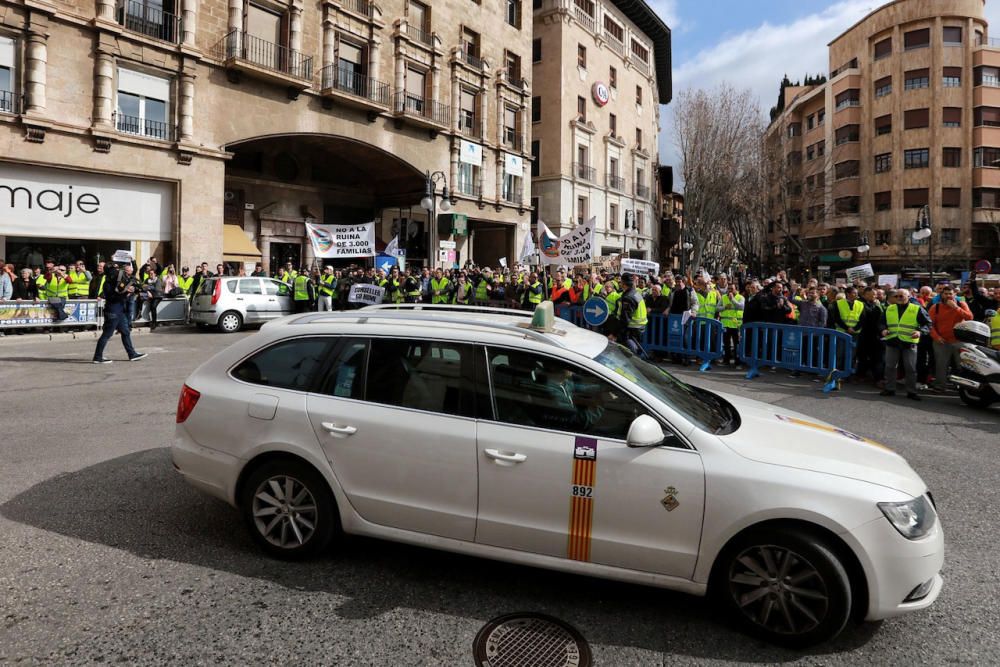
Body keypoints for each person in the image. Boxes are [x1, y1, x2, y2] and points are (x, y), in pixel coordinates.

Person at [880, 289, 931, 401]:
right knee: (890, 367)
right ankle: (889, 389)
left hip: (909, 342)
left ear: (909, 296)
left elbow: (928, 324)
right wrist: (883, 329)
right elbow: (882, 322)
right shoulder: (889, 308)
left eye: (901, 296)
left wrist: (920, 332)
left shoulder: (917, 308)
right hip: (892, 341)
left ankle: (911, 392)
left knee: (911, 368)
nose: (898, 298)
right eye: (896, 296)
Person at [93, 263, 147, 364]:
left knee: (126, 332)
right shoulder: (108, 284)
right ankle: (97, 356)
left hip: (119, 311)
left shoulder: (117, 281)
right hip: (112, 311)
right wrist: (125, 293)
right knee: (106, 335)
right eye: (114, 269)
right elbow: (113, 298)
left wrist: (131, 289)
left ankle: (132, 354)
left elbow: (125, 287)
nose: (117, 271)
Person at [928, 285, 973, 392]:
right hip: (942, 341)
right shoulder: (936, 307)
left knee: (962, 365)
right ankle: (940, 386)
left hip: (960, 341)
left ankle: (964, 389)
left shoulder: (961, 304)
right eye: (945, 294)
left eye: (950, 293)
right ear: (941, 295)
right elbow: (929, 324)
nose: (948, 296)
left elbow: (970, 317)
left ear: (954, 294)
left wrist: (956, 308)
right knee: (941, 365)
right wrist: (936, 337)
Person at [615, 273, 648, 356]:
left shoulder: (628, 297)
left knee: (631, 354)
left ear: (623, 283)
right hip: (638, 328)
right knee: (635, 351)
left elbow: (625, 318)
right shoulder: (635, 293)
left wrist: (615, 333)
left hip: (631, 330)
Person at [719, 283, 745, 366]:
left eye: (732, 289)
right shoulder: (723, 297)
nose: (730, 290)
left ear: (736, 289)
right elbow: (717, 308)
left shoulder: (741, 297)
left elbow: (741, 307)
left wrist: (733, 299)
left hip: (736, 325)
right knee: (726, 344)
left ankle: (737, 361)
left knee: (737, 344)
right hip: (726, 324)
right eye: (729, 289)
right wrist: (724, 307)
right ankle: (726, 360)